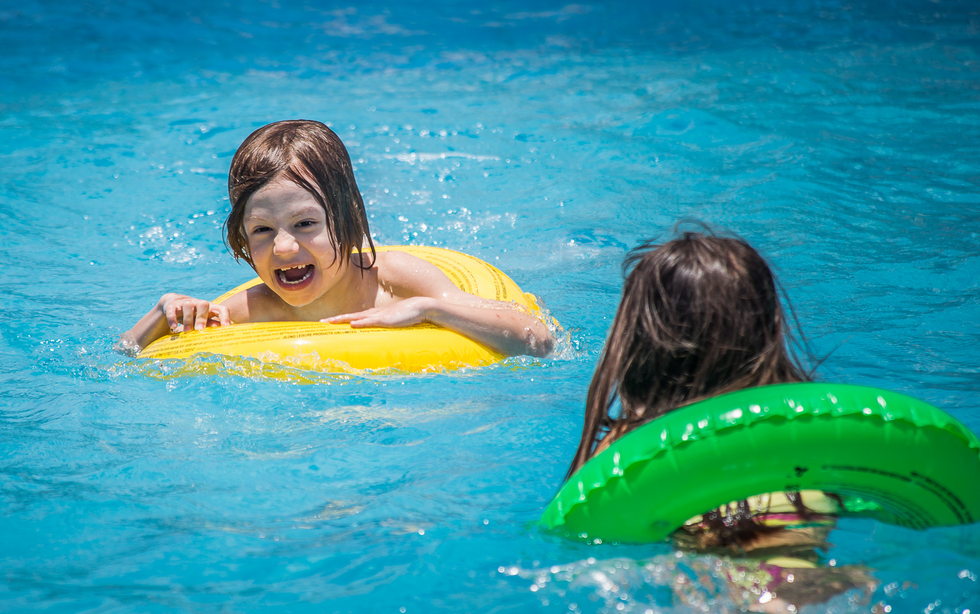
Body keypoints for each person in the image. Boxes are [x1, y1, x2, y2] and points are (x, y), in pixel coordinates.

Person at [119, 120, 553, 359]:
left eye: (305, 223)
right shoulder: (252, 311)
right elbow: (125, 358)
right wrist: (161, 313)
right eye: (262, 230)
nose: (284, 248)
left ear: (347, 219)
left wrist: (428, 309)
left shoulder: (394, 280)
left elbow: (539, 340)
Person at [566, 226, 839, 556]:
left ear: (640, 344)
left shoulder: (628, 447)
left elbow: (583, 526)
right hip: (805, 559)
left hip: (701, 572)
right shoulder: (808, 428)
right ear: (767, 330)